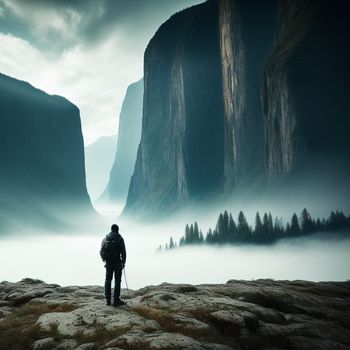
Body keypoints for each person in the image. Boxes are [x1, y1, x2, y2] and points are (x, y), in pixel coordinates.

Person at [100, 224, 126, 306]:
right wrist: (123, 263)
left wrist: (104, 260)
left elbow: (101, 251)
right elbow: (124, 252)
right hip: (117, 262)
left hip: (108, 262)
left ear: (111, 230)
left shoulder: (105, 239)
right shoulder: (120, 239)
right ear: (117, 230)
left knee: (108, 279)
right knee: (117, 280)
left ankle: (108, 300)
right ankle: (116, 300)